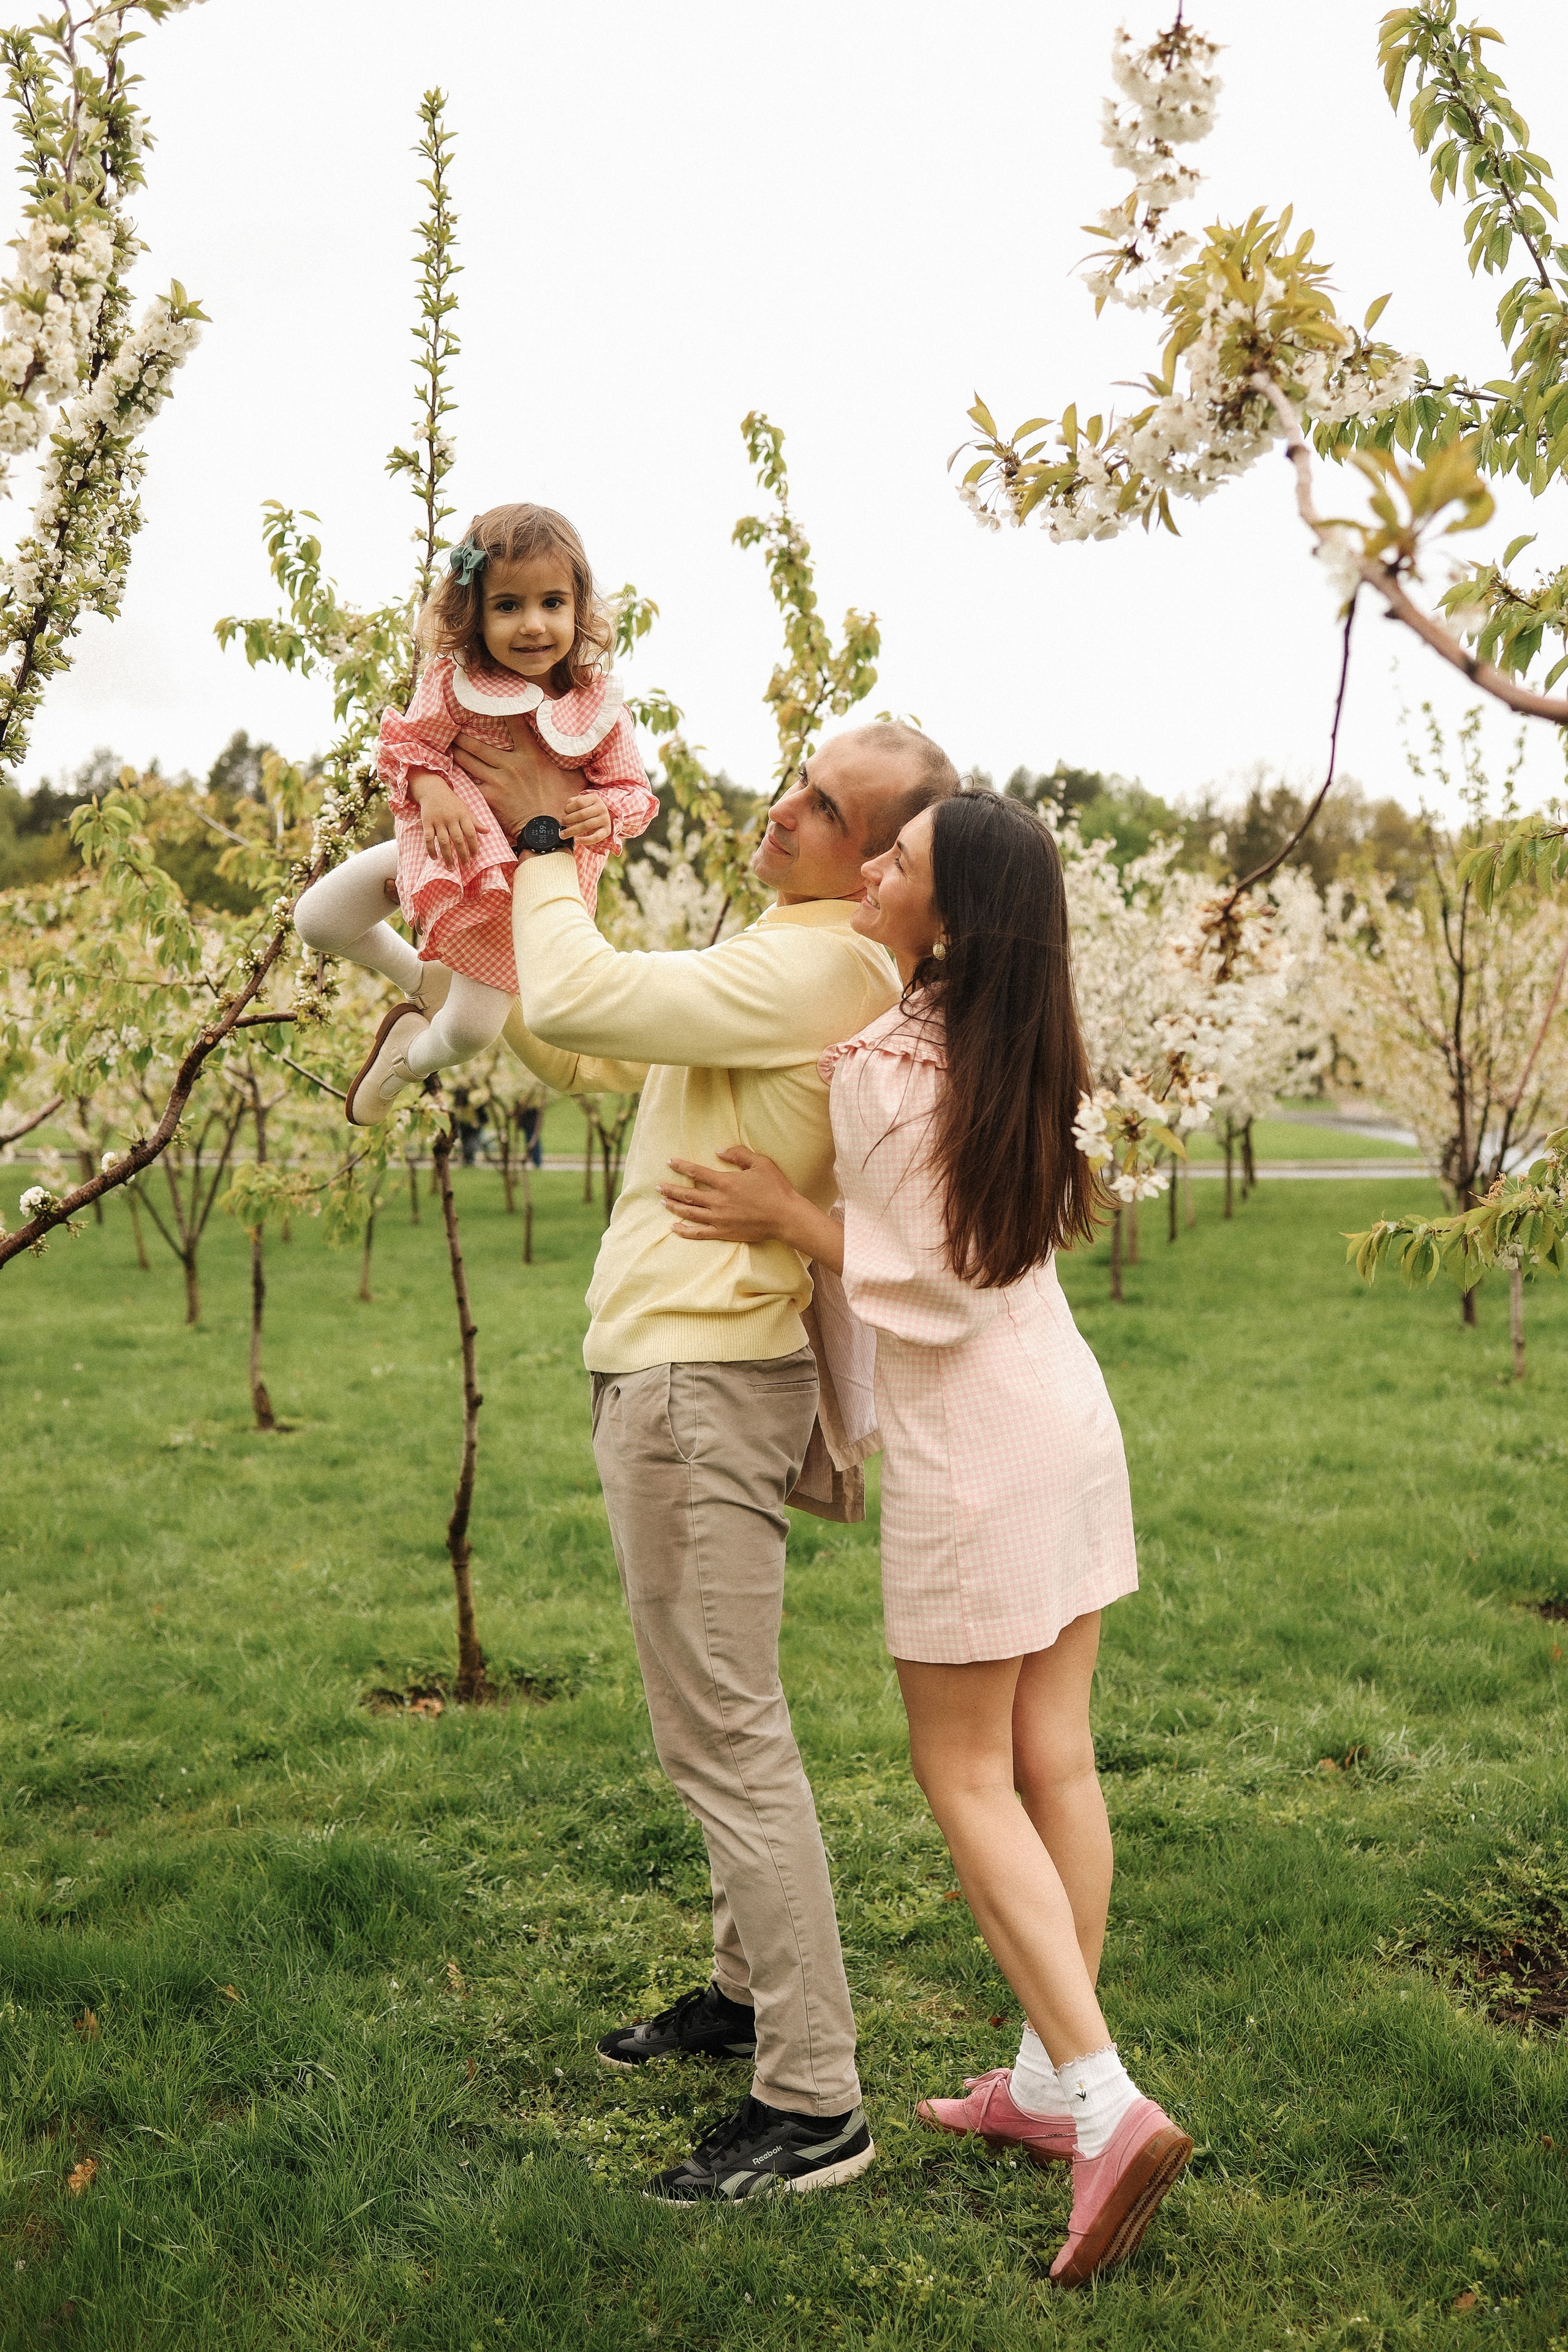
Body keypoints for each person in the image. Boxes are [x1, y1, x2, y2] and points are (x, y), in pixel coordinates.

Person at [658, 788, 1191, 2283]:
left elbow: (937, 1282)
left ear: (945, 913)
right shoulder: (1016, 1030)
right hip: (1064, 1417)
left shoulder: (889, 1064)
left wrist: (786, 1209)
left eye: (899, 859)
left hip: (978, 1444)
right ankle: (1039, 2076)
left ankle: (1099, 2102)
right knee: (1052, 1757)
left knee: (964, 1773)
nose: (874, 863)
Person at [456, 715, 961, 2203]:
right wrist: (487, 934)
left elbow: (593, 981)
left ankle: (814, 2100)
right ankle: (746, 1995)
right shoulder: (793, 951)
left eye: (824, 805)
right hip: (680, 1364)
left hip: (695, 1376)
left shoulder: (826, 960)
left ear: (880, 867)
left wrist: (546, 839)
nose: (782, 807)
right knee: (724, 1719)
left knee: (724, 1737)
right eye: (799, 778)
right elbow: (596, 1032)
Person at [291, 503, 657, 1126]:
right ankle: (421, 980)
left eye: (552, 603)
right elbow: (409, 746)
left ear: (578, 608)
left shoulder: (594, 703)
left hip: (521, 896)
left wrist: (604, 811)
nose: (533, 625)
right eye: (507, 606)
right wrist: (433, 790)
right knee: (318, 919)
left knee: (469, 1033)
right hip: (450, 851)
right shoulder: (454, 679)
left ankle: (405, 1061)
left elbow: (633, 792)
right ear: (475, 612)